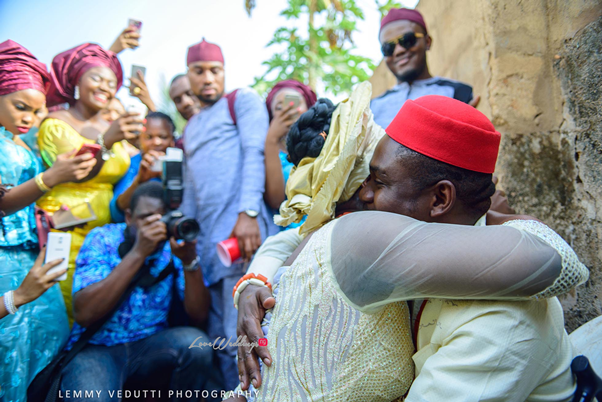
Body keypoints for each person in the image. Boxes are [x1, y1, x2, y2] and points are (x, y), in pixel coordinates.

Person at [233, 93, 588, 401]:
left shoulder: (500, 321)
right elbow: (298, 238)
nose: (365, 196)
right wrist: (254, 280)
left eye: (380, 181)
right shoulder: (408, 234)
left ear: (440, 198)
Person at [0, 39, 96, 402]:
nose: (29, 118)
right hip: (4, 261)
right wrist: (50, 178)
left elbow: (26, 208)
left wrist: (64, 217)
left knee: (49, 332)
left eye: (38, 112)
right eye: (20, 106)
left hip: (31, 254)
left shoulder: (23, 144)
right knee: (9, 347)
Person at [182, 38, 279, 390]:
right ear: (188, 75)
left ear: (224, 72)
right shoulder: (191, 127)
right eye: (199, 71)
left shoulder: (242, 101)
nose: (207, 78)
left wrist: (249, 212)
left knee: (248, 334)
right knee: (222, 341)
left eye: (215, 70)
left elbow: (255, 151)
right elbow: (192, 188)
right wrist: (187, 237)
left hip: (242, 237)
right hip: (210, 251)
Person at [60, 182, 214, 401]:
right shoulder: (102, 239)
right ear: (129, 217)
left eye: (163, 218)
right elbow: (85, 314)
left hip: (149, 345)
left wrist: (190, 261)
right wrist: (139, 252)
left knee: (197, 345)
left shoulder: (172, 247)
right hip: (96, 347)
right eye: (148, 218)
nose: (157, 226)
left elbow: (199, 315)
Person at [37, 43, 143, 323]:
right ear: (76, 80)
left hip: (106, 231)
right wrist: (107, 140)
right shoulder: (56, 122)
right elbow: (75, 171)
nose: (105, 87)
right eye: (96, 78)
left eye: (111, 83)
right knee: (64, 304)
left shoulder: (111, 126)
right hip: (66, 227)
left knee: (101, 304)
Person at [371, 8, 478, 128]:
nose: (398, 51)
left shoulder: (459, 93)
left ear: (427, 42)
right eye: (388, 48)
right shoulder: (372, 108)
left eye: (407, 40)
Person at [110, 112, 175, 223]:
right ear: (140, 139)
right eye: (149, 137)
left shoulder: (180, 165)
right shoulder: (130, 164)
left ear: (172, 140)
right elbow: (117, 213)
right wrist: (139, 181)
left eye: (163, 137)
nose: (156, 142)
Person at [263, 80, 316, 212]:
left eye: (294, 104)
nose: (287, 111)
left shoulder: (321, 141)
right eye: (279, 107)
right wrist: (271, 139)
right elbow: (276, 201)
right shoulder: (269, 147)